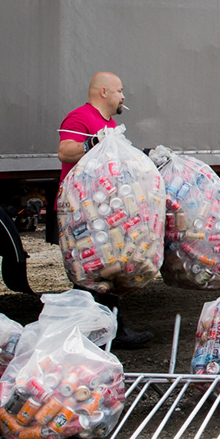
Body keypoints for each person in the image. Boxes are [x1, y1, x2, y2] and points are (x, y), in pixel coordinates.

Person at [55, 72, 154, 349]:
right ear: (103, 92)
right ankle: (87, 332)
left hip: (103, 210)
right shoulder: (80, 118)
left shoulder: (109, 123)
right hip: (80, 211)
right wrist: (92, 142)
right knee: (89, 272)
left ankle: (108, 328)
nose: (123, 97)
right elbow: (65, 151)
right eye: (120, 91)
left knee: (108, 268)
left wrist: (147, 154)